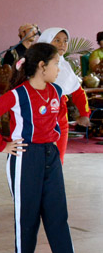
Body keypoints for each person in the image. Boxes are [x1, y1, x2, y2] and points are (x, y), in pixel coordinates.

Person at [0, 43, 90, 253]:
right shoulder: (18, 94)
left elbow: (55, 121)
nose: (59, 69)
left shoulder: (56, 91)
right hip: (25, 157)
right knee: (27, 212)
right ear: (42, 66)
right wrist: (2, 145)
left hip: (50, 155)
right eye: (56, 63)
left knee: (58, 211)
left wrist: (53, 136)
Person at [37, 28, 91, 163]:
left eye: (65, 41)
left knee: (58, 158)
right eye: (57, 40)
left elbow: (78, 92)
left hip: (60, 116)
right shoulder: (34, 64)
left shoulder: (65, 66)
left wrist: (84, 114)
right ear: (46, 41)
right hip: (39, 117)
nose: (62, 44)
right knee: (39, 158)